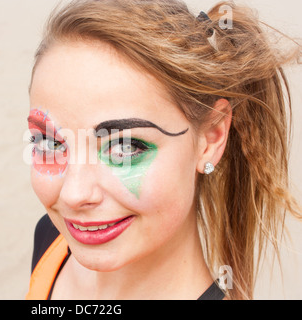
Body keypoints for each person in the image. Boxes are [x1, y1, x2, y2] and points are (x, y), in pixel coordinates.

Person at [25, 0, 301, 300]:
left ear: (211, 137)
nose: (73, 196)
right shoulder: (54, 242)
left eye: (124, 147)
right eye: (50, 143)